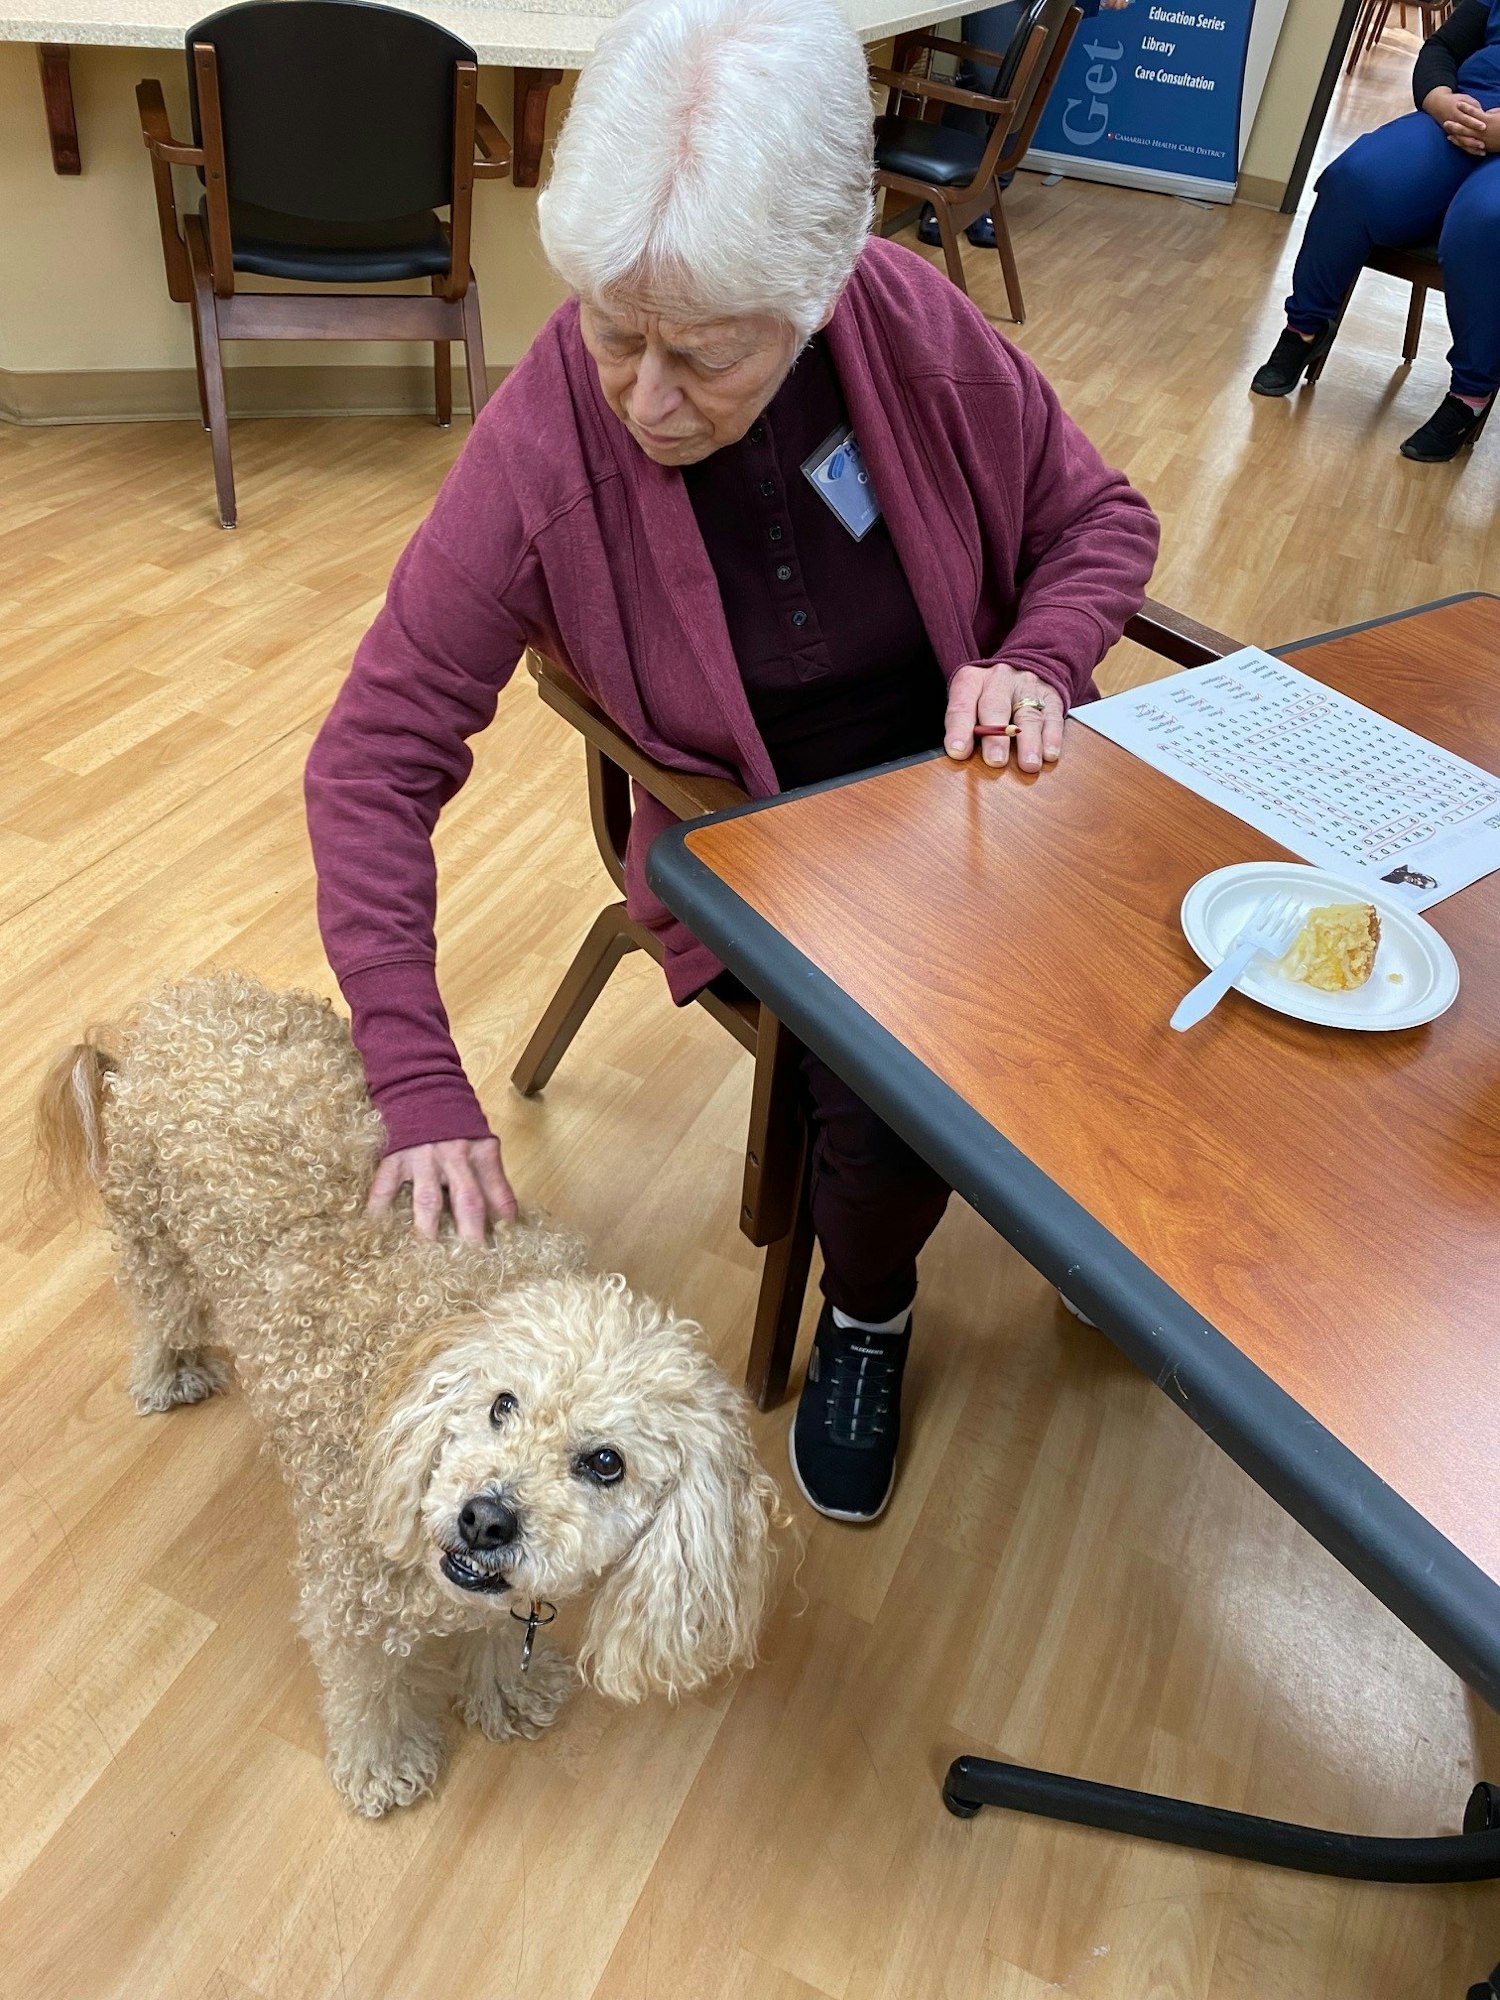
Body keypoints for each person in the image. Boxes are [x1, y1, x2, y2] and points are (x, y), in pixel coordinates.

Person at [305, 0, 1158, 1526]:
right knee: (905, 1069)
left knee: (1167, 962)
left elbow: (1099, 524)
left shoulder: (908, 321)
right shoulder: (544, 444)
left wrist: (1037, 662)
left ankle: (1085, 1211)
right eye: (614, 333)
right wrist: (418, 1080)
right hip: (767, 853)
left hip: (992, 799)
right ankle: (872, 1307)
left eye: (701, 357)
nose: (642, 397)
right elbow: (372, 754)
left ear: (821, 288)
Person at [1252, 0, 1500, 462]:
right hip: (1459, 115)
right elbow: (1443, 46)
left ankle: (1470, 394)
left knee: (1485, 224)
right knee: (1356, 181)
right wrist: (1439, 99)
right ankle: (1304, 329)